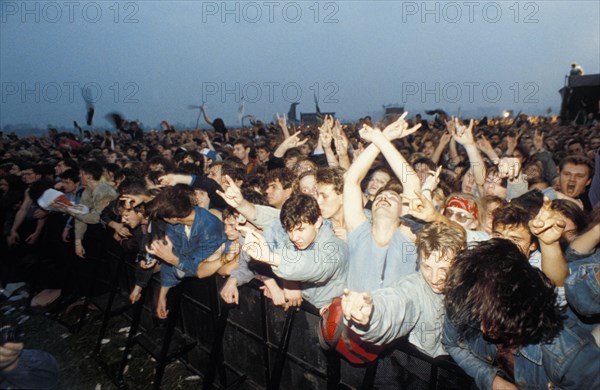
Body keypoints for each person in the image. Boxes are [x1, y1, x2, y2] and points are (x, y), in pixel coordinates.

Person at [442, 239, 600, 390]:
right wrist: (492, 381)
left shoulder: (571, 356)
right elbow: (452, 344)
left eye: (494, 319)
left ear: (519, 310)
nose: (483, 329)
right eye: (480, 317)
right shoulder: (466, 299)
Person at [342, 222, 466, 357]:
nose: (434, 278)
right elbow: (397, 302)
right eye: (427, 267)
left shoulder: (470, 282)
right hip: (422, 370)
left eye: (443, 269)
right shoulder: (414, 287)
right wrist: (372, 314)